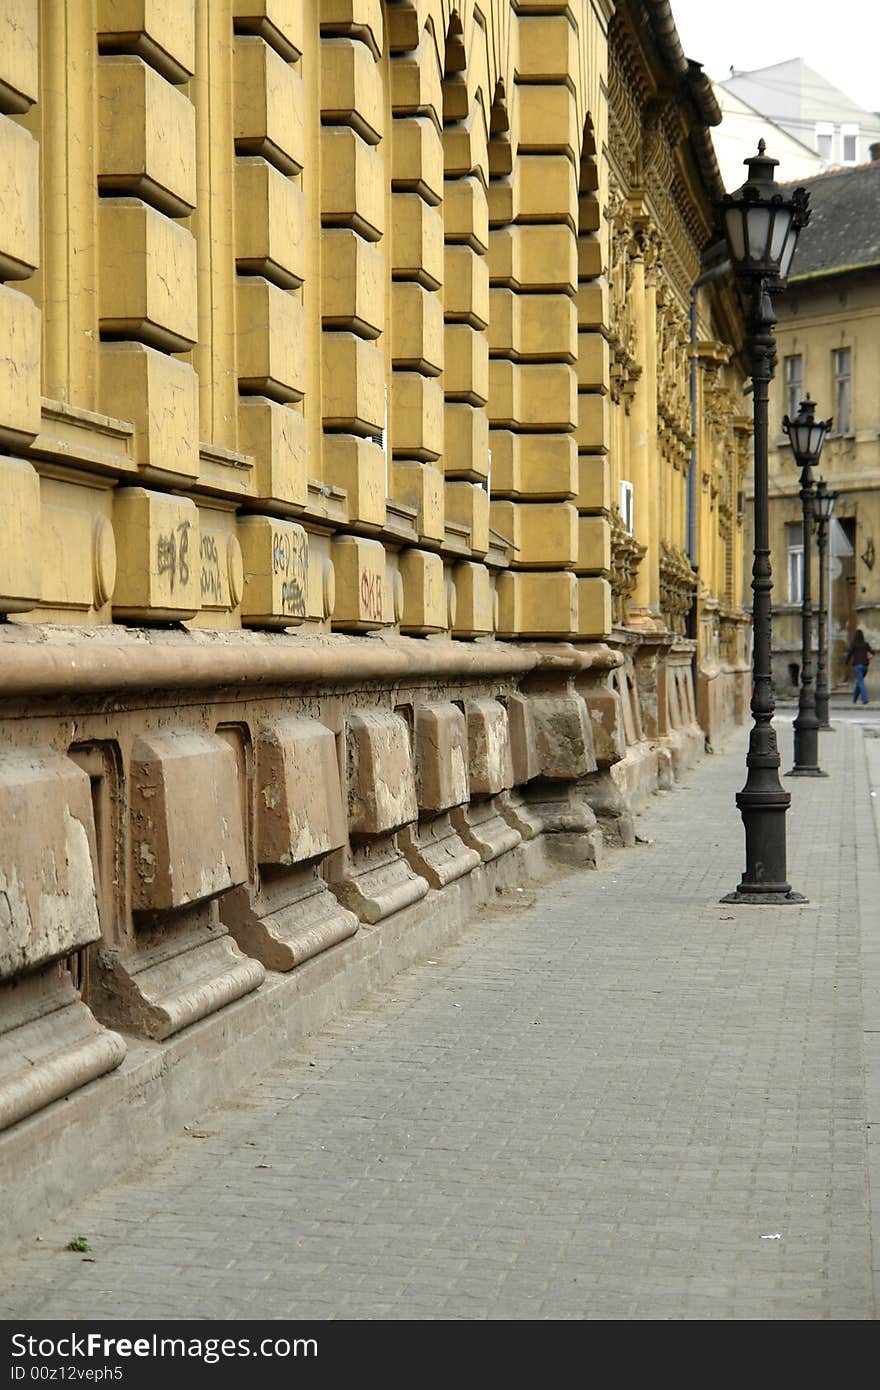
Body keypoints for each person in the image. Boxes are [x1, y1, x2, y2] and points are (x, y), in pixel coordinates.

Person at [845, 628, 875, 705]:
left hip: (857, 665)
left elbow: (849, 653)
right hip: (865, 666)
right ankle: (854, 699)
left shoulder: (854, 644)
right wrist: (869, 655)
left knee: (860, 682)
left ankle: (865, 699)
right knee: (859, 681)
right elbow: (872, 652)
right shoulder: (865, 644)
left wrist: (846, 662)